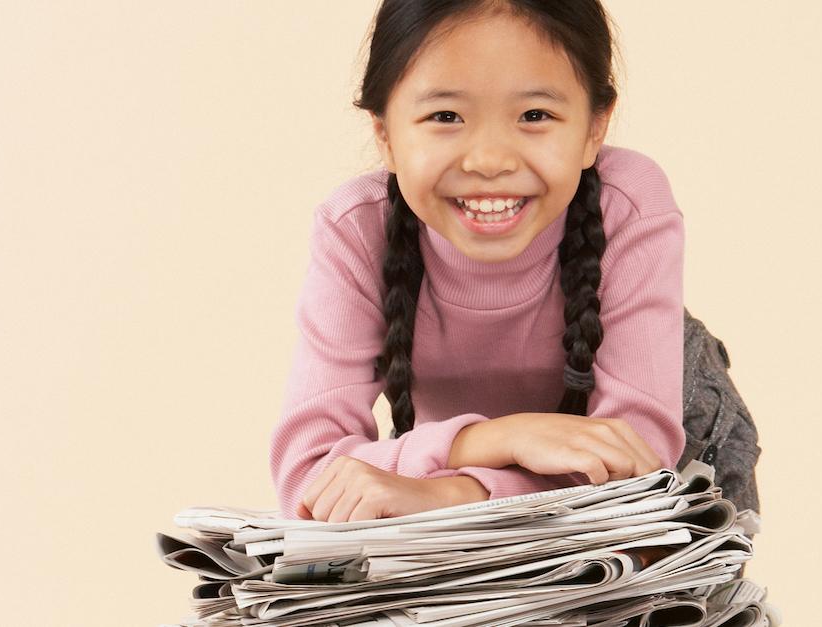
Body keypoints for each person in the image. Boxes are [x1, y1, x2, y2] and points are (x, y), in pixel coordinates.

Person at [270, 0, 687, 523]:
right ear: (385, 136)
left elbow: (635, 470)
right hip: (456, 505)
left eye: (535, 115)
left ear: (594, 129)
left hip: (670, 474)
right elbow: (306, 480)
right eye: (445, 116)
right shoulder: (356, 228)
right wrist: (501, 439)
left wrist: (454, 494)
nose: (489, 161)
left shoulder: (628, 204)